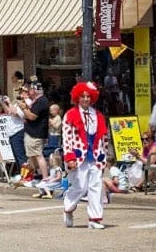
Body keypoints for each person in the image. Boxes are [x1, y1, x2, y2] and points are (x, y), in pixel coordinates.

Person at [61, 81, 109, 229]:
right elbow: (66, 138)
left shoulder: (98, 115)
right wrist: (69, 157)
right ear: (77, 97)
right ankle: (68, 208)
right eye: (83, 96)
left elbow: (104, 137)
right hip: (78, 157)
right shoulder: (70, 114)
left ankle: (94, 219)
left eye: (88, 96)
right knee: (80, 187)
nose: (86, 99)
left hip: (95, 157)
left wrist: (105, 156)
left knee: (96, 187)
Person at [20, 78, 50, 180]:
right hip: (31, 132)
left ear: (35, 90)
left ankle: (45, 177)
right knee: (31, 155)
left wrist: (23, 108)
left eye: (31, 89)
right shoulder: (36, 101)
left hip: (35, 133)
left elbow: (32, 116)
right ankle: (36, 174)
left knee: (38, 155)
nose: (29, 91)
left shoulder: (41, 101)